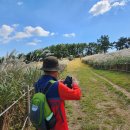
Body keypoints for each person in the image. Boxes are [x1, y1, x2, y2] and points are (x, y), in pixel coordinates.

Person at [34, 56, 81, 130]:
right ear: (56, 70)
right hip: (57, 126)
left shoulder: (37, 83)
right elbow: (77, 95)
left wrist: (58, 82)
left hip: (43, 124)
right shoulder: (57, 86)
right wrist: (75, 84)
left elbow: (47, 89)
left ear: (44, 70)